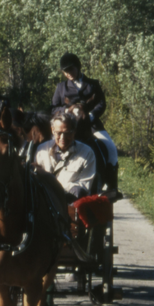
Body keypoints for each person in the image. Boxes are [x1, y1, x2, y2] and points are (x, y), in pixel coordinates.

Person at [51, 52, 120, 198]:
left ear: (78, 67)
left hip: (91, 125)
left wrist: (91, 115)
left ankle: (112, 187)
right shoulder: (61, 87)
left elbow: (102, 103)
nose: (68, 74)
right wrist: (66, 111)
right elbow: (53, 108)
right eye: (65, 71)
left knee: (111, 149)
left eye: (71, 70)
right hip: (67, 127)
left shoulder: (93, 84)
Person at [34, 111, 97, 201]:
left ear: (74, 132)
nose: (62, 138)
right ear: (52, 130)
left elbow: (84, 186)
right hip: (45, 201)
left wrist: (59, 190)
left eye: (67, 133)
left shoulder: (87, 153)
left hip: (71, 200)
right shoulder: (42, 150)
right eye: (59, 133)